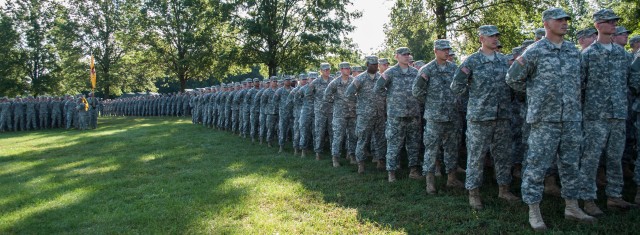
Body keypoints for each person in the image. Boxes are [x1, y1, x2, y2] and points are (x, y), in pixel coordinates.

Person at [507, 8, 597, 231]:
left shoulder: (572, 51)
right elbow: (512, 78)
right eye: (559, 20)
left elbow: (581, 80)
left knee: (570, 164)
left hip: (571, 119)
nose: (565, 23)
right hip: (544, 121)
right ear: (547, 24)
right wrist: (535, 95)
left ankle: (572, 207)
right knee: (537, 166)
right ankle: (534, 211)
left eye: (566, 20)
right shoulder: (534, 51)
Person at [451, 25, 518, 210]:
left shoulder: (504, 61)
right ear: (481, 38)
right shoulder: (471, 61)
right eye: (490, 36)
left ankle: (504, 190)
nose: (495, 39)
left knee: (503, 156)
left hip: (502, 116)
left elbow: (512, 85)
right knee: (476, 157)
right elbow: (456, 86)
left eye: (496, 35)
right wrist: (475, 99)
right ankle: (473, 193)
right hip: (479, 118)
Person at [580, 9, 636, 216]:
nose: (614, 24)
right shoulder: (588, 54)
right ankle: (588, 199)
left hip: (618, 114)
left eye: (615, 21)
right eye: (609, 21)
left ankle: (614, 196)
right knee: (591, 158)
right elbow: (580, 86)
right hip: (595, 116)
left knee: (615, 157)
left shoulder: (622, 54)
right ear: (598, 25)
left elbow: (629, 82)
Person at [412, 39, 464, 194]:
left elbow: (461, 87)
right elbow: (416, 91)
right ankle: (430, 182)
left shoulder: (454, 68)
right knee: (431, 150)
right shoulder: (427, 70)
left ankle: (451, 179)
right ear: (435, 51)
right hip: (434, 117)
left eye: (448, 49)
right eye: (443, 49)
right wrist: (431, 103)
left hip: (452, 116)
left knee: (452, 149)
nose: (446, 52)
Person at [375, 47, 422, 182]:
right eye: (403, 54)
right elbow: (377, 88)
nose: (407, 56)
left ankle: (413, 170)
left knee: (414, 143)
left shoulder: (415, 72)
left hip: (413, 114)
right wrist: (391, 97)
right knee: (394, 144)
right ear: (397, 56)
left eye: (408, 54)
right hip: (396, 115)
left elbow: (421, 88)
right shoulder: (390, 72)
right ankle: (391, 172)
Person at [346, 56, 387, 173]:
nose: (374, 66)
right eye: (372, 64)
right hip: (365, 115)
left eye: (376, 64)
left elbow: (386, 93)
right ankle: (361, 164)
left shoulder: (381, 78)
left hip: (379, 114)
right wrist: (360, 106)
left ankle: (380, 161)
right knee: (363, 139)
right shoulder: (360, 78)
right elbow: (349, 93)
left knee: (380, 139)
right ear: (367, 65)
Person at [325, 62, 357, 167]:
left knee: (352, 136)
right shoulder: (335, 82)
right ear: (341, 70)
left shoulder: (354, 81)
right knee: (338, 137)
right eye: (346, 68)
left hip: (352, 113)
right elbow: (326, 95)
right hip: (339, 114)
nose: (348, 70)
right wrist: (336, 102)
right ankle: (335, 158)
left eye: (349, 68)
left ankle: (352, 156)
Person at [306, 63, 334, 160]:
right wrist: (317, 102)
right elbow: (308, 94)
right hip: (320, 111)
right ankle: (318, 152)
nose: (327, 71)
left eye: (328, 69)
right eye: (325, 70)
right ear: (321, 71)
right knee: (319, 132)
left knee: (332, 132)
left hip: (331, 111)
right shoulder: (315, 82)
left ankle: (333, 152)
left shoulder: (333, 81)